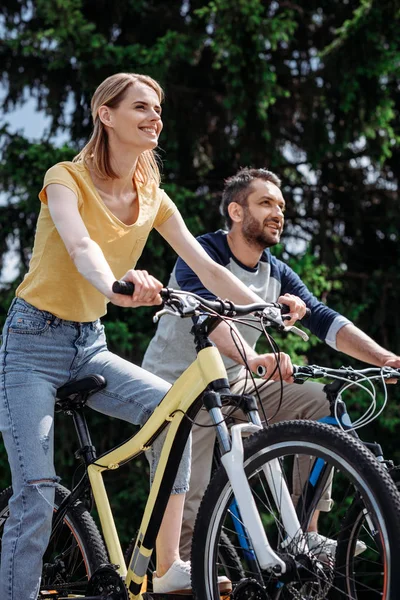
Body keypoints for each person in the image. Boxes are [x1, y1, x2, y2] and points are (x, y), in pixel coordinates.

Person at [0, 76, 308, 599]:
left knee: (175, 414)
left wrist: (263, 308)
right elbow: (80, 247)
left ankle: (167, 566)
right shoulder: (65, 178)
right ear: (106, 114)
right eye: (140, 107)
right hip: (31, 345)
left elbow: (207, 267)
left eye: (158, 109)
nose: (154, 117)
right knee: (37, 493)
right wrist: (118, 287)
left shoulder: (153, 197)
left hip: (88, 344)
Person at [142, 166, 400, 561]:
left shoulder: (276, 272)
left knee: (320, 405)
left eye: (281, 205)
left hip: (238, 385)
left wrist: (384, 357)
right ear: (236, 212)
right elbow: (207, 321)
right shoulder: (204, 253)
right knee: (186, 500)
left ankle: (304, 531)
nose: (278, 212)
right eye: (265, 203)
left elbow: (324, 319)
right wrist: (254, 358)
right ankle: (176, 571)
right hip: (179, 388)